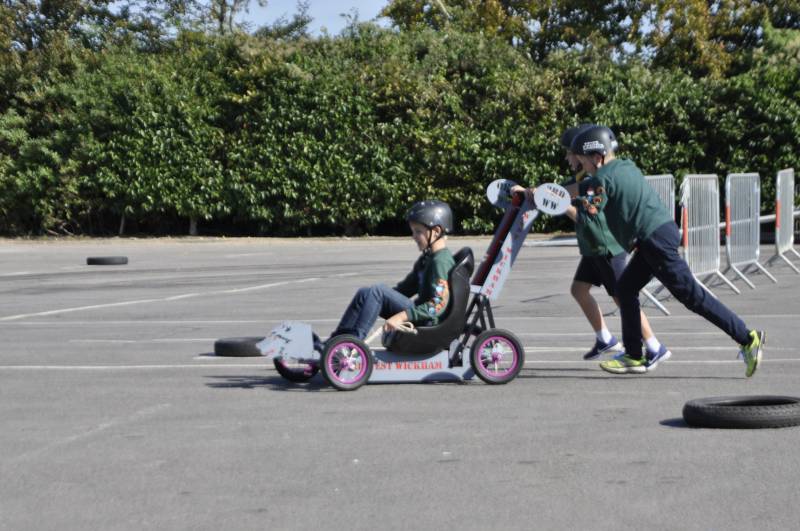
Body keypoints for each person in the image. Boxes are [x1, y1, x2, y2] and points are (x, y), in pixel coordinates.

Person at [569, 124, 765, 376]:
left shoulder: (602, 178)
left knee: (693, 297)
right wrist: (552, 192)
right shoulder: (624, 166)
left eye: (583, 161)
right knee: (625, 288)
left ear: (598, 157)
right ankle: (633, 355)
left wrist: (555, 201)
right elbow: (586, 189)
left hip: (655, 241)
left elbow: (589, 212)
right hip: (656, 236)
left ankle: (748, 338)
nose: (581, 166)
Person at [515, 125, 671, 369]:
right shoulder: (580, 178)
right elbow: (557, 192)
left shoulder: (593, 180)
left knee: (622, 298)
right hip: (592, 248)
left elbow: (587, 217)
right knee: (579, 290)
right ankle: (605, 338)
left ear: (583, 156)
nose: (568, 159)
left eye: (570, 154)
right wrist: (531, 192)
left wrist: (562, 204)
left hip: (605, 247)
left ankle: (653, 345)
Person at [321, 200, 456, 350]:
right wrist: (376, 299)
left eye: (418, 231)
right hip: (420, 316)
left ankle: (353, 347)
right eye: (413, 232)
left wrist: (401, 316)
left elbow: (437, 305)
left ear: (436, 231)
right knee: (365, 293)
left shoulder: (441, 261)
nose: (413, 236)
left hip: (429, 323)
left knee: (377, 292)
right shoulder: (427, 259)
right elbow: (403, 290)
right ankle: (335, 341)